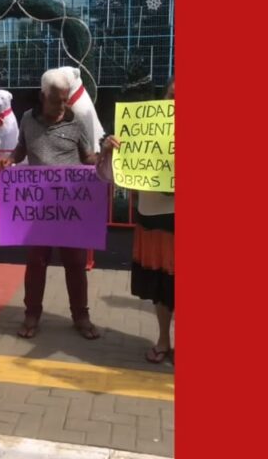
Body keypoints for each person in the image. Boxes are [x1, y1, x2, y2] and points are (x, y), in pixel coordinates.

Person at [0, 68, 102, 340]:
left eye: (65, 99)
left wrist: (103, 159)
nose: (62, 105)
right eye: (57, 100)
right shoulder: (27, 119)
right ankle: (31, 315)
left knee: (76, 263)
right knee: (36, 262)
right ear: (43, 96)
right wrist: (11, 160)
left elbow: (87, 156)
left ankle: (81, 316)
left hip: (69, 208)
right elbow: (21, 148)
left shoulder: (77, 121)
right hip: (38, 210)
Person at [98, 80, 175, 363]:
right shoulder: (142, 132)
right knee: (161, 288)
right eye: (172, 96)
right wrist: (110, 150)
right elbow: (109, 177)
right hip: (153, 221)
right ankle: (164, 340)